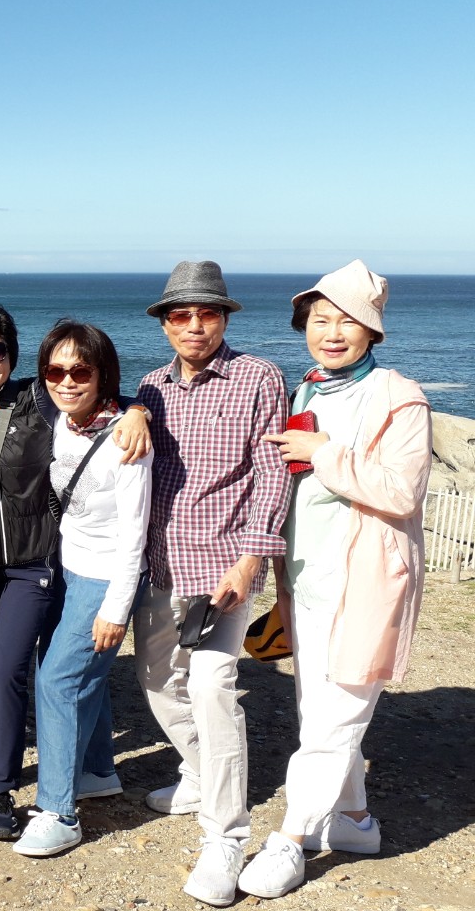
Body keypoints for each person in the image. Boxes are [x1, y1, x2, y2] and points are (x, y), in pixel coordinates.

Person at [238, 261, 432, 898]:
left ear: (372, 332)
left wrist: (322, 453)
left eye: (348, 321)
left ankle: (290, 841)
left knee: (335, 720)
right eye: (320, 319)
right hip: (306, 581)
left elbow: (401, 491)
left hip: (365, 583)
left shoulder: (399, 398)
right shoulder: (309, 391)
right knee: (316, 712)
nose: (332, 332)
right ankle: (352, 821)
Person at [0, 306, 150, 841]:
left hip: (31, 563)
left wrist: (138, 410)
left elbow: (91, 393)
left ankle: (4, 788)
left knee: (14, 673)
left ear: (12, 356)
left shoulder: (37, 399)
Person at [133, 260, 292, 907]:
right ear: (166, 324)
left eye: (208, 313)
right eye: (182, 314)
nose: (195, 325)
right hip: (160, 566)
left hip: (224, 569)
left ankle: (224, 837)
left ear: (224, 318)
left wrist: (252, 560)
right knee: (156, 683)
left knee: (211, 688)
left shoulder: (259, 377)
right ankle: (201, 773)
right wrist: (129, 414)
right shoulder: (150, 387)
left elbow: (272, 472)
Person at [15, 321, 152, 858]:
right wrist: (141, 406)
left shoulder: (127, 440)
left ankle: (59, 811)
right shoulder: (59, 418)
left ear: (102, 375)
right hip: (64, 570)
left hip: (106, 577)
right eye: (55, 370)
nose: (67, 381)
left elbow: (136, 534)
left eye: (81, 371)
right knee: (82, 676)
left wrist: (116, 609)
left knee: (57, 681)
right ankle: (96, 771)